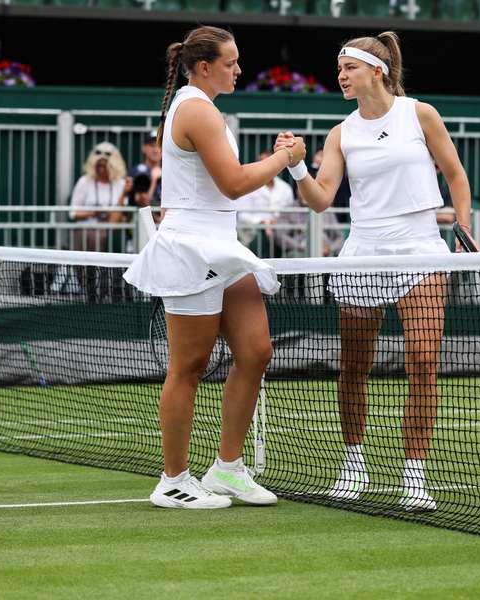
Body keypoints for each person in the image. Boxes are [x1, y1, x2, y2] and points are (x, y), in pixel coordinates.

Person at [275, 31, 473, 512]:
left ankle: (414, 474)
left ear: (377, 70)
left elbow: (456, 175)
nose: (341, 76)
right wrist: (298, 169)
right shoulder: (340, 133)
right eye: (339, 69)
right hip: (364, 250)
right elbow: (321, 200)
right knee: (354, 368)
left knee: (424, 361)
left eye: (349, 68)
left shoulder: (420, 114)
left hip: (420, 246)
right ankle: (354, 463)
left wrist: (463, 228)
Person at [122, 25, 307, 510]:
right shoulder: (196, 110)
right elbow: (233, 182)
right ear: (205, 66)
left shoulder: (204, 108)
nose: (239, 70)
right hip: (190, 249)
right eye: (231, 62)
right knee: (189, 365)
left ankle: (227, 469)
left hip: (222, 246)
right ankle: (173, 479)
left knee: (257, 350)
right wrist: (285, 157)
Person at [69, 141, 130, 252]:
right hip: (85, 229)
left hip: (109, 231)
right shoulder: (84, 182)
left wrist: (124, 193)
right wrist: (95, 212)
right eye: (99, 165)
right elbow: (73, 213)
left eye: (105, 165)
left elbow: (117, 218)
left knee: (97, 236)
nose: (102, 168)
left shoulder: (120, 184)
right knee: (91, 235)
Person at [235, 150, 296, 253]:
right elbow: (242, 214)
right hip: (254, 232)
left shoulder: (286, 188)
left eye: (270, 163)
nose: (267, 168)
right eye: (263, 164)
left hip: (281, 232)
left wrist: (276, 223)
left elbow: (291, 214)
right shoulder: (248, 186)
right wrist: (262, 222)